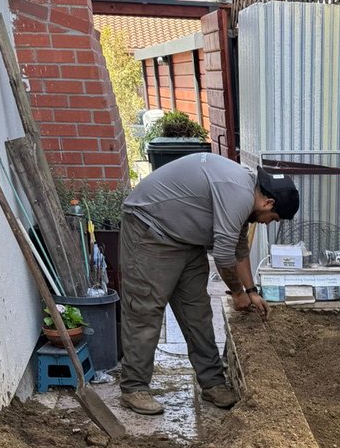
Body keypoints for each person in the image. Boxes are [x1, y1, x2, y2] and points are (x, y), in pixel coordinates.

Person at [118, 155, 299, 416]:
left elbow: (238, 248)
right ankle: (134, 387)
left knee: (197, 311)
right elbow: (224, 257)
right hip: (150, 228)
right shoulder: (238, 194)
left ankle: (212, 382)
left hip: (185, 238)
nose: (269, 222)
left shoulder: (247, 194)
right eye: (274, 217)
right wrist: (237, 293)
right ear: (267, 202)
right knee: (146, 308)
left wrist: (252, 292)